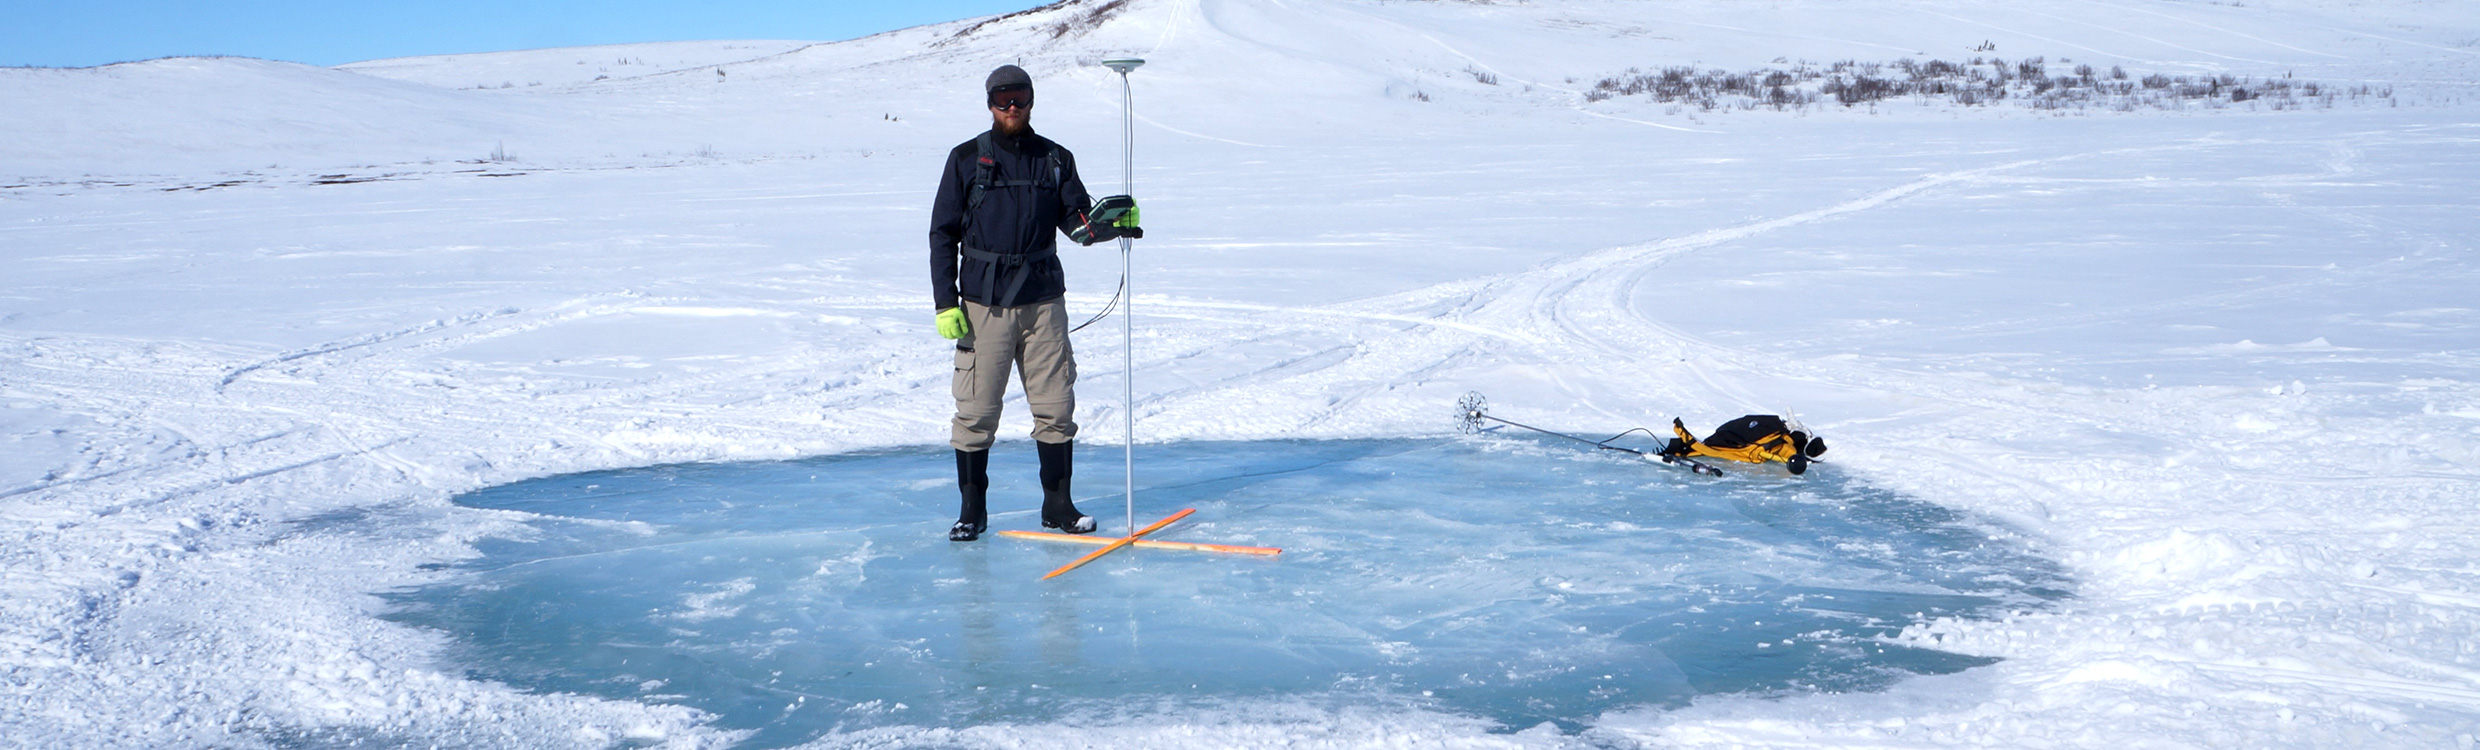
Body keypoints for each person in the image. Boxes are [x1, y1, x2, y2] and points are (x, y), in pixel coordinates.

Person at [929, 64, 1140, 542]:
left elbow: (1077, 222)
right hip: (984, 304)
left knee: (1056, 404)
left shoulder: (1056, 158)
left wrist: (1112, 225)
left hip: (1044, 302)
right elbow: (942, 235)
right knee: (977, 410)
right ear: (989, 103)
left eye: (1019, 97)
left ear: (1031, 100)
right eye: (1002, 99)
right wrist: (946, 302)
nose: (1011, 107)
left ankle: (1058, 506)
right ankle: (972, 510)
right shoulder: (966, 159)